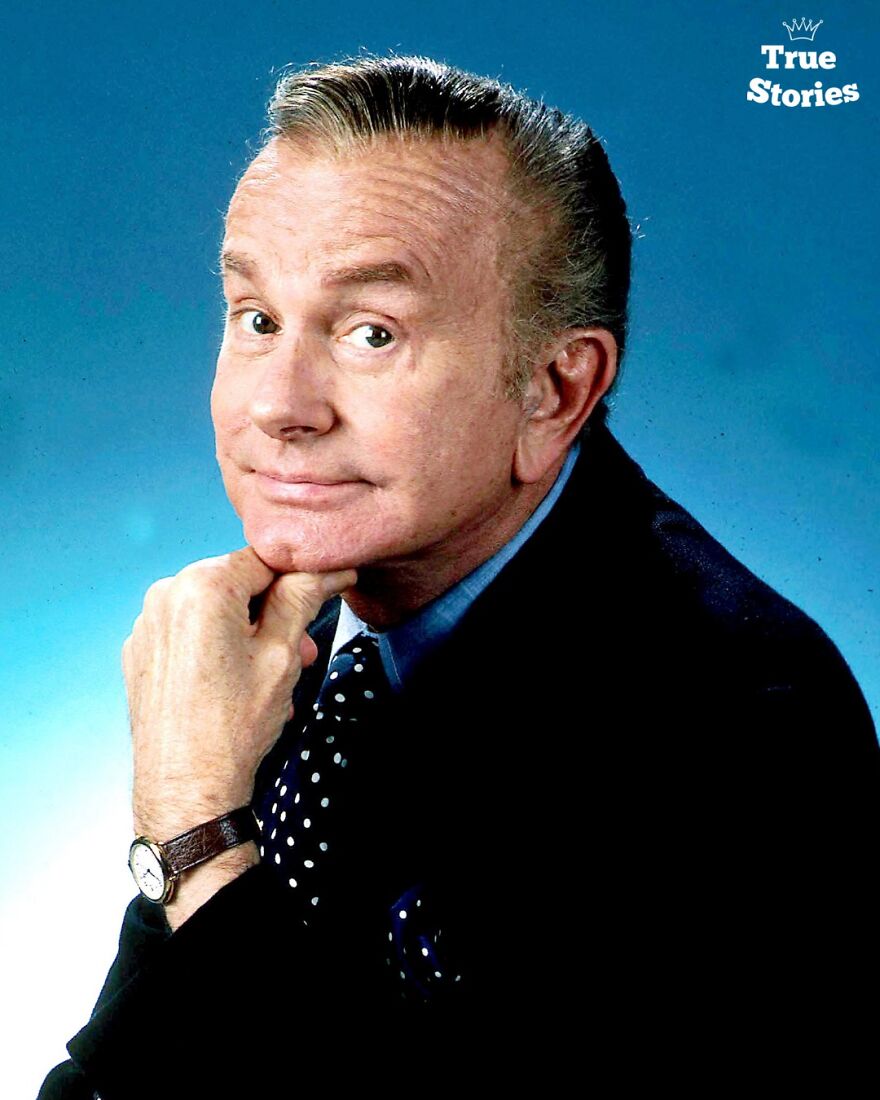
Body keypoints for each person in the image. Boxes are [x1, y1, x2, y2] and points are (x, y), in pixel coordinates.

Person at [40, 54, 877, 1097]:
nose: (279, 405)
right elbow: (115, 1072)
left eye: (371, 332)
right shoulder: (294, 629)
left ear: (554, 387)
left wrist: (199, 825)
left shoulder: (736, 718)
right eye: (256, 318)